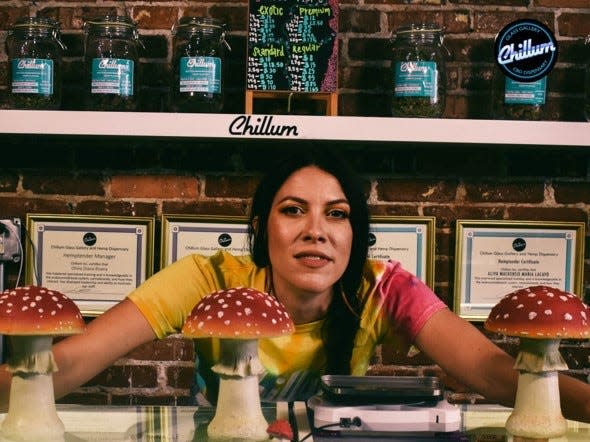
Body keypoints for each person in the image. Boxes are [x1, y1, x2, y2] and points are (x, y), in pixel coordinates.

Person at [1, 147, 590, 422]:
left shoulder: (383, 287)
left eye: (337, 214)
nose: (316, 232)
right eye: (293, 211)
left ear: (356, 233)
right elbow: (69, 365)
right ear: (262, 228)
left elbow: (492, 373)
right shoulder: (207, 278)